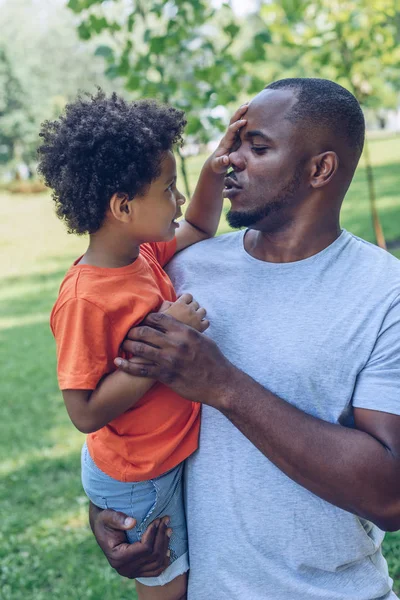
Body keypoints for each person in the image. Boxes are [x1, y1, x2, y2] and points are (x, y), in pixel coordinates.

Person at [90, 78, 400, 600]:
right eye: (234, 143)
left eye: (257, 148)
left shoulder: (384, 293)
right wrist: (110, 510)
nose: (231, 160)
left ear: (320, 169)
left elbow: (391, 495)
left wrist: (224, 385)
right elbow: (121, 411)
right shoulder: (184, 270)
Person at [38, 90, 247, 600]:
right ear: (123, 206)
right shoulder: (88, 299)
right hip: (137, 476)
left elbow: (198, 224)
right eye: (169, 188)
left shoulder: (141, 252)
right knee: (167, 590)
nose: (177, 199)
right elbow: (84, 411)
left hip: (157, 459)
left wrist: (215, 168)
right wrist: (165, 339)